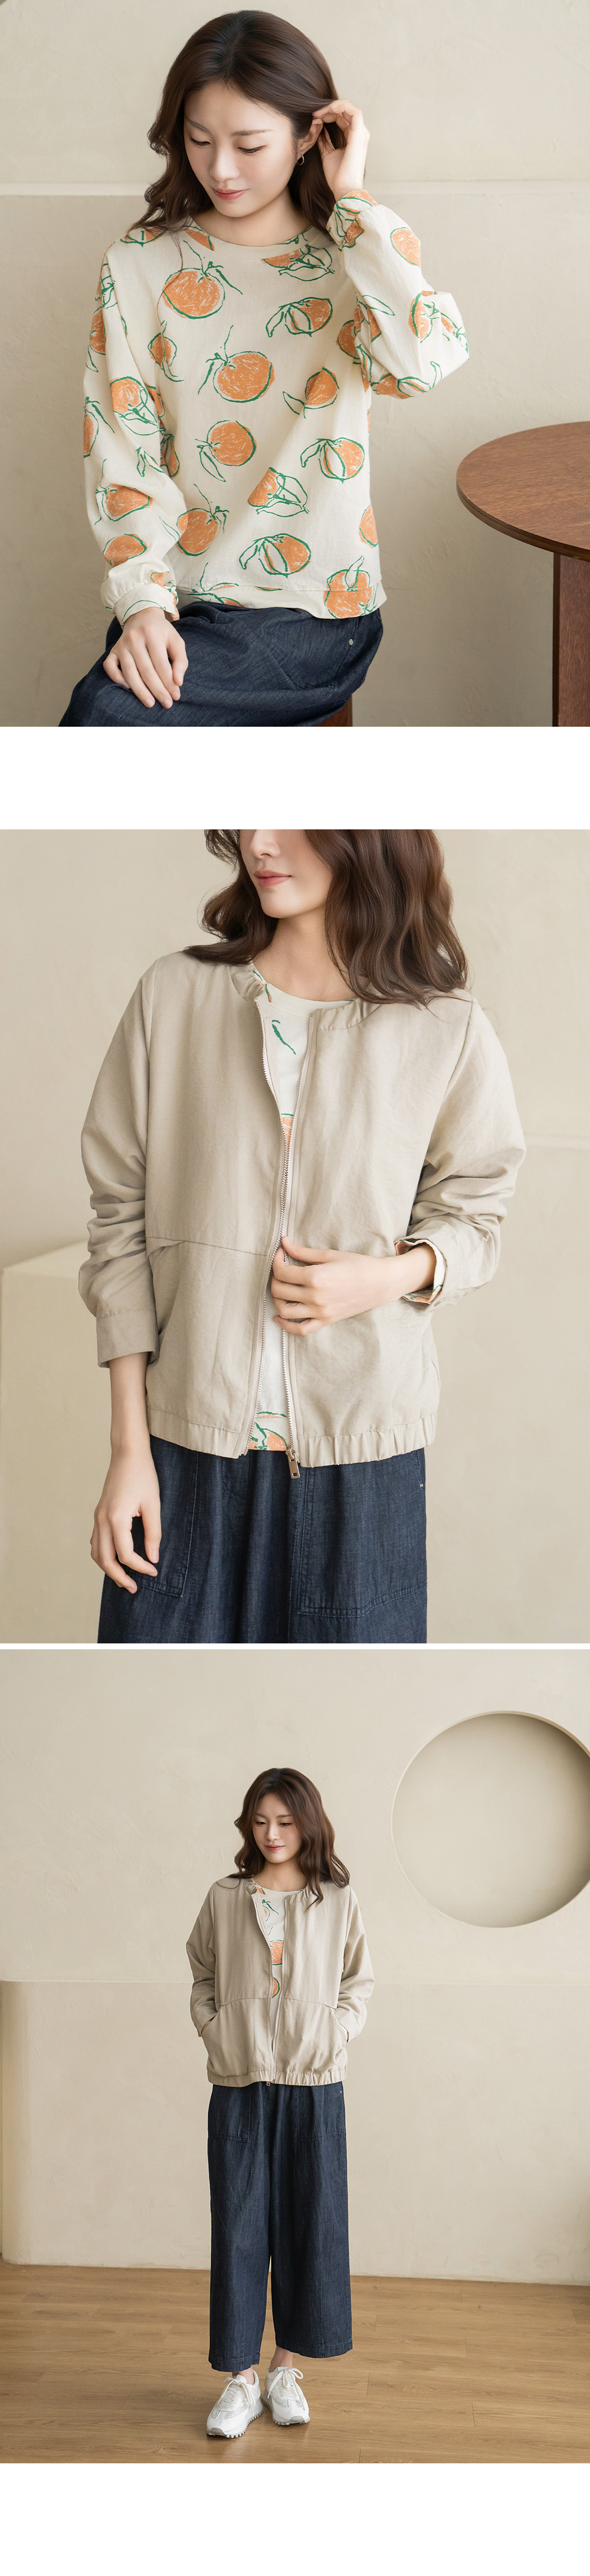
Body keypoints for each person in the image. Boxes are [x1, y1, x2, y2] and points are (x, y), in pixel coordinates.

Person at [80, 828, 526, 1645]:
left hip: (362, 1462)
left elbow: (477, 1214)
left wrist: (384, 1277)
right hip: (181, 1448)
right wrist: (127, 1448)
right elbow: (119, 1220)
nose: (261, 840)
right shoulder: (174, 996)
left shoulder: (445, 1027)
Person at [61, 11, 468, 729]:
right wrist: (142, 602)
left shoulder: (353, 262)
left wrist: (353, 200)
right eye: (199, 140)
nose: (221, 168)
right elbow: (122, 452)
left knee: (108, 716)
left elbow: (421, 364)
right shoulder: (138, 265)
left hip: (313, 608)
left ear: (309, 135)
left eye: (249, 145)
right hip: (177, 601)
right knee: (109, 712)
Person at [186, 1764, 373, 2437]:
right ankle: (240, 2380)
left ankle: (284, 2369)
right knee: (238, 2228)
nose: (272, 1833)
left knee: (308, 2225)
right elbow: (202, 1971)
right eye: (261, 1821)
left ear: (307, 1823)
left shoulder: (337, 1899)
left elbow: (358, 1981)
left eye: (285, 1821)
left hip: (314, 2083)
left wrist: (335, 2030)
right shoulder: (225, 1895)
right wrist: (214, 2027)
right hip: (239, 2082)